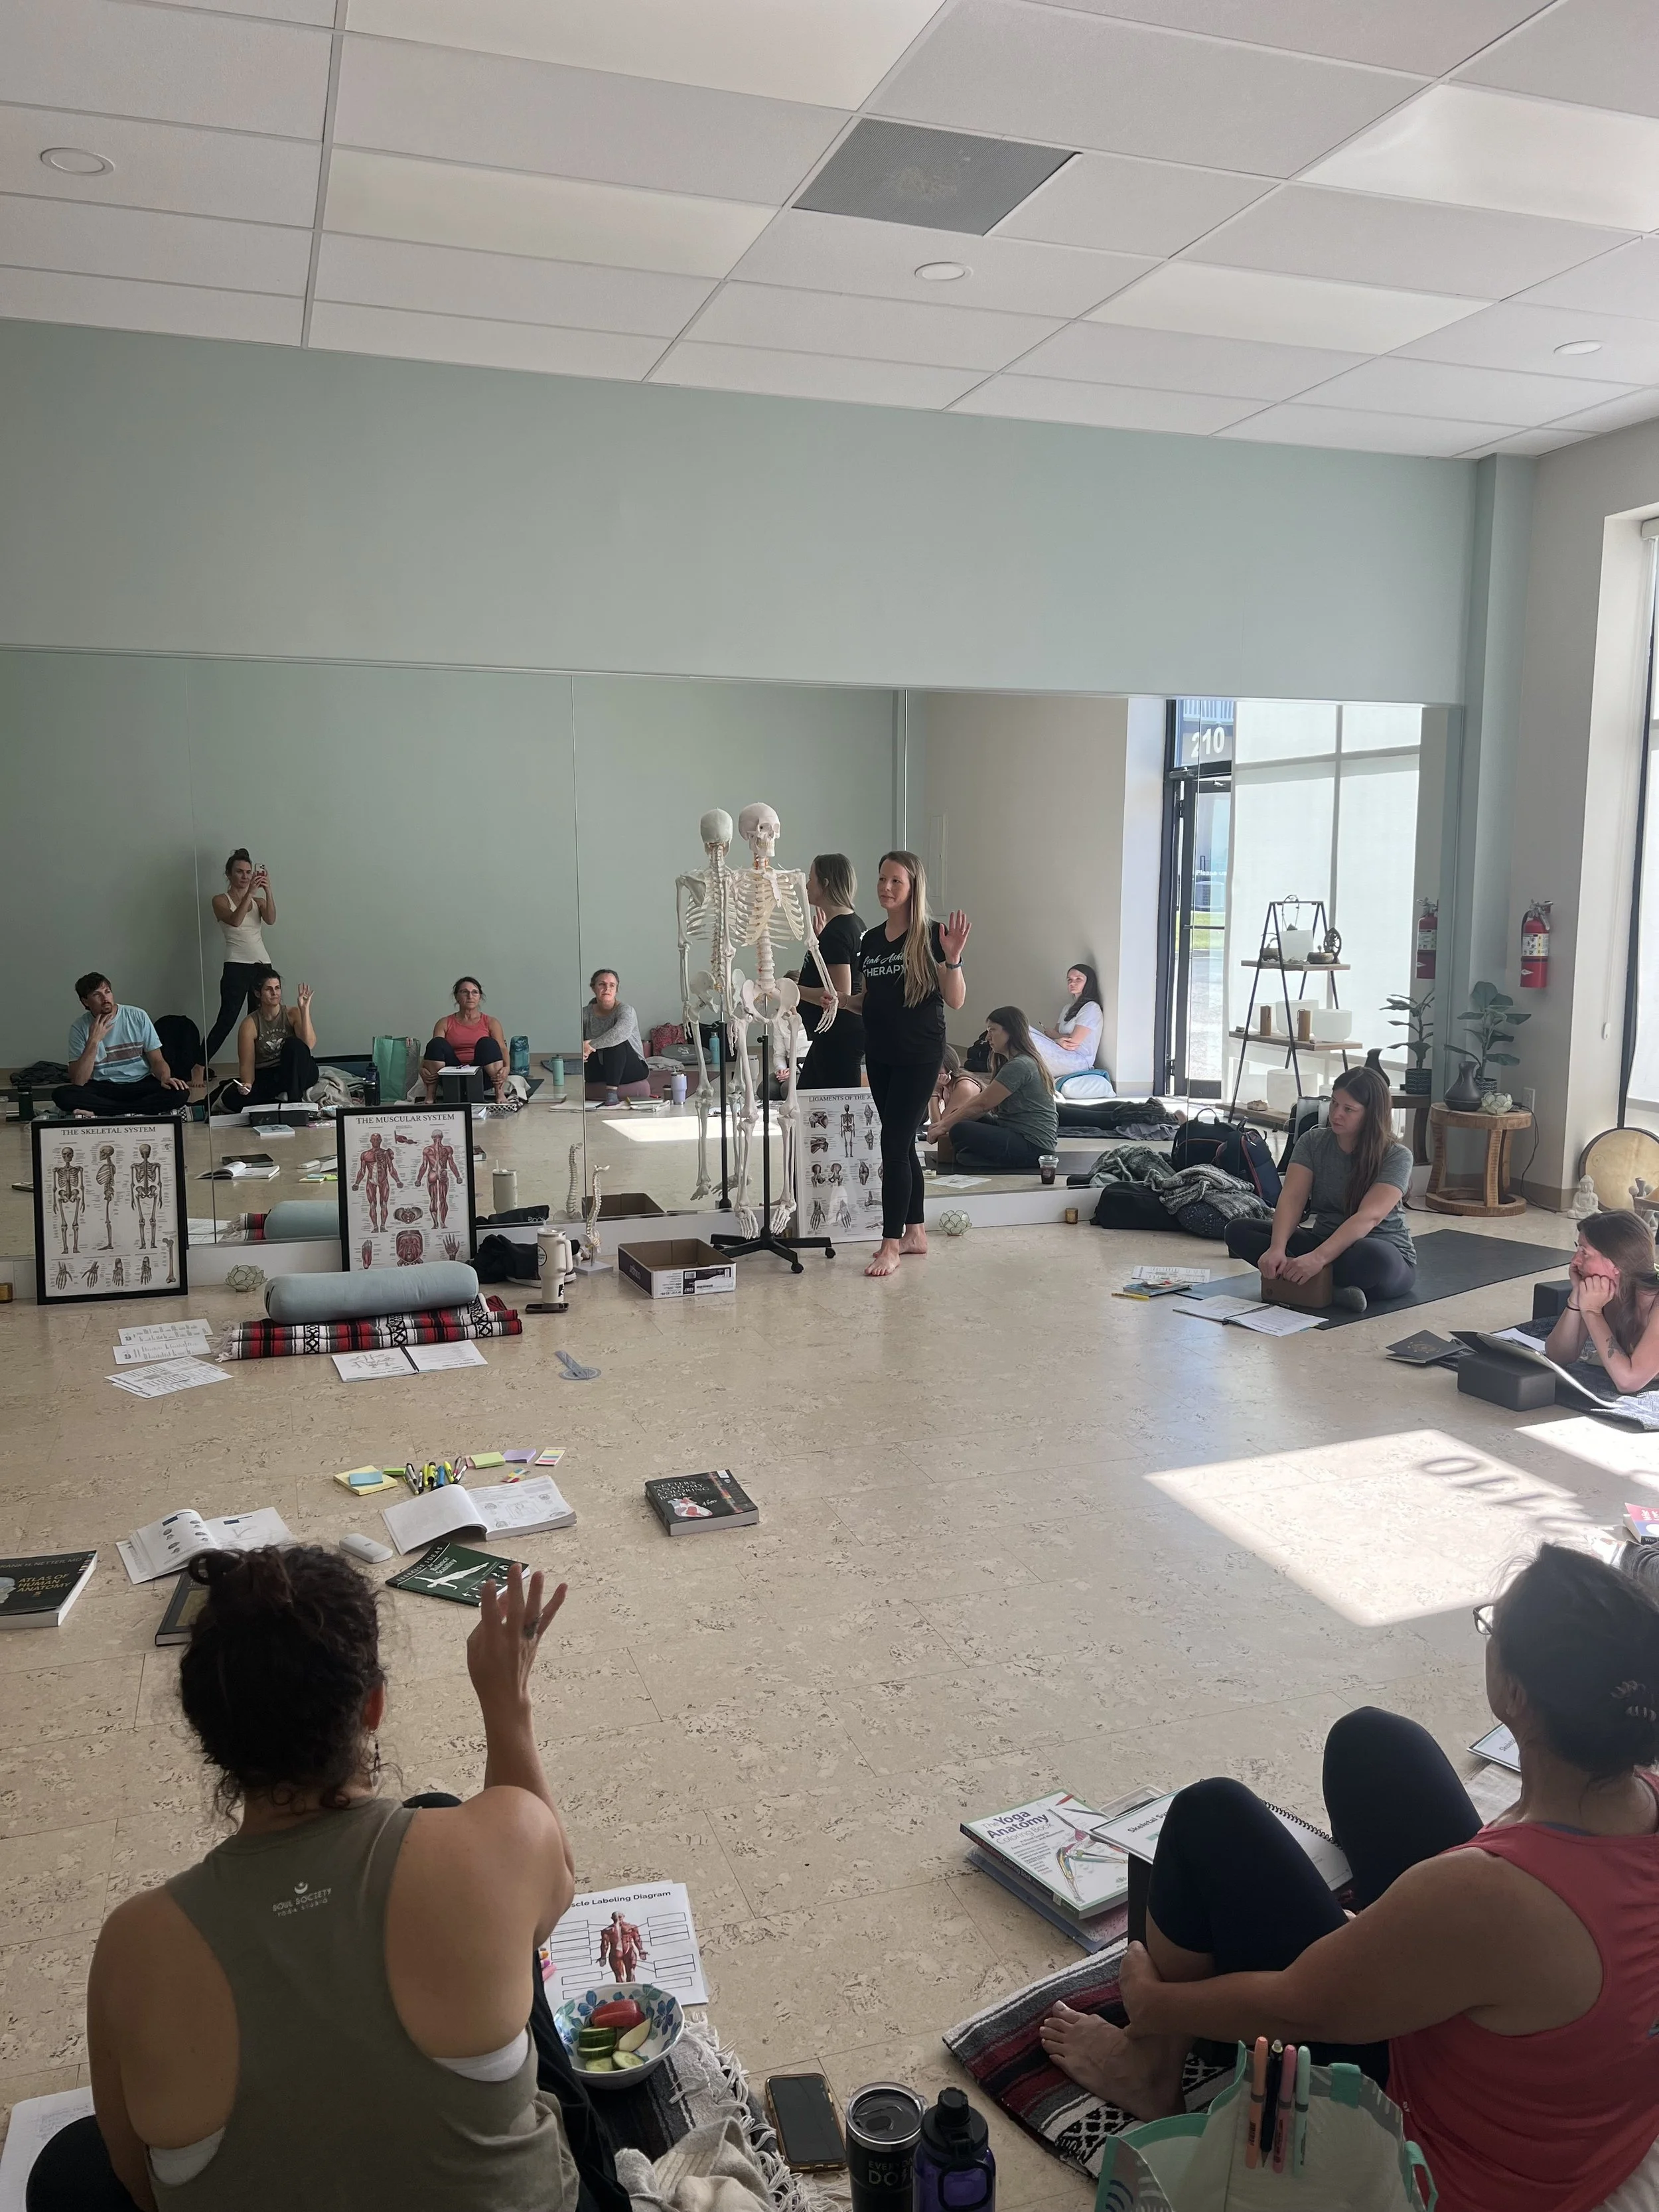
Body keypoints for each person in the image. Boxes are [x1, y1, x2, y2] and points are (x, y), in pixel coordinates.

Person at [1040, 1544, 1659, 2212]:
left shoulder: (1484, 1894)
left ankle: (1151, 2065)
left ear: (1515, 1695)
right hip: (1582, 2132)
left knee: (1207, 1814)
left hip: (1437, 2164)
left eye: (1491, 1628)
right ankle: (1381, 1952)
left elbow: (1296, 2003)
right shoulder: (1638, 1801)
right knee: (1374, 1742)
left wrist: (1156, 2005)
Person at [37, 1546, 620, 2212]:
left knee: (70, 2168)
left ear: (207, 1733)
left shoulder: (132, 1947)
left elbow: (141, 2188)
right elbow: (551, 1890)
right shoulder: (498, 1842)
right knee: (462, 1856)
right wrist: (506, 1701)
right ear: (371, 1706)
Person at [845, 851, 968, 1278]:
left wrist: (953, 960)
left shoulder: (933, 935)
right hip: (879, 1055)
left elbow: (955, 1000)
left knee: (893, 1145)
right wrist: (838, 1000)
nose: (886, 888)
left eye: (896, 881)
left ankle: (890, 1244)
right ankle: (916, 1233)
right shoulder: (871, 940)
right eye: (882, 880)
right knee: (901, 1144)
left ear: (912, 886)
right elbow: (869, 1000)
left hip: (919, 1056)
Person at [1224, 1064, 1414, 1313]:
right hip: (1322, 1241)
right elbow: (1292, 1198)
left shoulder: (1397, 1155)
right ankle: (1332, 1290)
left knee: (1371, 1256)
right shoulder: (1313, 1142)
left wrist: (1318, 1259)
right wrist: (1277, 1248)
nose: (1336, 1114)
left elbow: (1369, 1217)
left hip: (1378, 1252)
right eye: (1334, 1104)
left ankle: (1317, 1285)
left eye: (1349, 1109)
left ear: (1371, 1114)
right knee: (1239, 1230)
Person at [927, 1006, 1058, 1172]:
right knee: (960, 1120)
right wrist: (945, 1123)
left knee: (961, 1129)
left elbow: (983, 1104)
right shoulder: (1015, 1062)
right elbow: (978, 1105)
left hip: (1034, 1147)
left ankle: (976, 1158)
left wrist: (944, 1126)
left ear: (1010, 1031)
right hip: (1012, 1130)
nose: (988, 1037)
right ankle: (972, 1156)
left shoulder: (1020, 1065)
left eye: (992, 1030)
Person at [1545, 1209, 1659, 1394]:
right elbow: (1558, 1356)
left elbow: (1629, 1382)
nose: (1575, 1261)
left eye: (1585, 1253)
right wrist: (1577, 1295)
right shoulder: (1604, 1293)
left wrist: (1592, 1313)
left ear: (1616, 1265)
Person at [52, 973, 190, 1119]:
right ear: (85, 1002)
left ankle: (105, 1112)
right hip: (103, 1086)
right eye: (97, 995)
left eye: (107, 992)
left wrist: (165, 1078)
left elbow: (157, 1060)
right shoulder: (79, 1027)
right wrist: (94, 1040)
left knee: (180, 1092)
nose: (105, 999)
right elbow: (78, 1081)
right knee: (62, 1095)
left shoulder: (137, 1016)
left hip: (139, 1082)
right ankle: (134, 1111)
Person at [797, 853, 865, 1090]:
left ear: (825, 883)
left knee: (836, 1106)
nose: (807, 885)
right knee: (807, 1098)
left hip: (839, 1036)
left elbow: (838, 995)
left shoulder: (838, 933)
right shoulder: (853, 924)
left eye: (811, 878)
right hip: (834, 1035)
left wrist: (791, 990)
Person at [204, 850, 276, 1071]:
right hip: (236, 965)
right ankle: (199, 1064)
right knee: (227, 1019)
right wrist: (250, 894)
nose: (245, 877)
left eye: (248, 872)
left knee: (259, 1020)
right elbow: (236, 921)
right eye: (239, 872)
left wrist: (268, 890)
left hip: (262, 965)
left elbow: (271, 920)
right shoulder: (220, 901)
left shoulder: (258, 901)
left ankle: (254, 1066)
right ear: (229, 874)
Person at [216, 968, 317, 1110]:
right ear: (258, 993)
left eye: (277, 988)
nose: (274, 993)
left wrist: (304, 1010)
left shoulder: (292, 1013)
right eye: (269, 989)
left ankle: (295, 1102)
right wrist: (247, 1084)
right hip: (270, 1076)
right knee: (230, 1097)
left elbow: (309, 1044)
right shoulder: (249, 1024)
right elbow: (247, 1064)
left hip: (298, 1071)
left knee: (294, 1045)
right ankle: (278, 1105)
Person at [421, 976, 510, 1106]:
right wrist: (421, 1068)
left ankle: (500, 1093)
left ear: (480, 997)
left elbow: (502, 1048)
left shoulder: (491, 1022)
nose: (470, 996)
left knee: (488, 1043)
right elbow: (433, 1051)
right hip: (451, 1077)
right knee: (437, 1043)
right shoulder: (444, 1023)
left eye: (475, 992)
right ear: (457, 997)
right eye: (464, 992)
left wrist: (507, 1068)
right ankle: (431, 1095)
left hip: (481, 1076)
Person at [582, 971, 650, 1097]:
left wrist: (589, 1046)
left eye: (612, 985)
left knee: (616, 1042)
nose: (607, 988)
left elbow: (619, 1034)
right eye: (602, 984)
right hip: (600, 1069)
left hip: (629, 1069)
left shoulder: (626, 1011)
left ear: (616, 990)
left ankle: (611, 1095)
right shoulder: (586, 1013)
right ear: (593, 988)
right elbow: (572, 1035)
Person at [1033, 964, 1104, 1079]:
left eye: (1078, 979)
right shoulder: (1067, 1008)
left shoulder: (1091, 1008)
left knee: (1025, 1034)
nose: (1072, 983)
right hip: (1062, 1053)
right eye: (1069, 980)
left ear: (1089, 982)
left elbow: (1072, 1042)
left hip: (1079, 1060)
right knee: (1023, 1032)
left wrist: (1056, 1037)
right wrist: (1058, 1039)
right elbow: (1055, 1039)